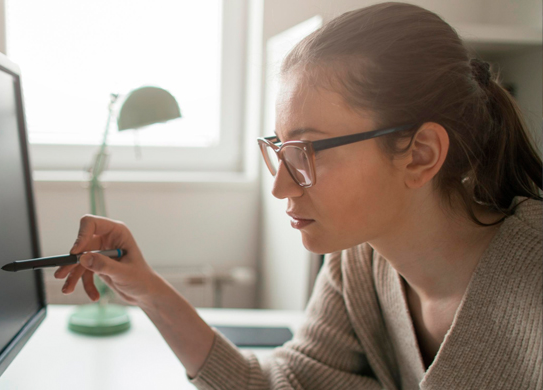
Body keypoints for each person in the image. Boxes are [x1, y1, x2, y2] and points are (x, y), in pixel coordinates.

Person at [54, 2, 542, 389]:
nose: (280, 185)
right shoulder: (361, 261)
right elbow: (275, 386)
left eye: (307, 151)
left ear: (420, 154)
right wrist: (148, 290)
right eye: (280, 150)